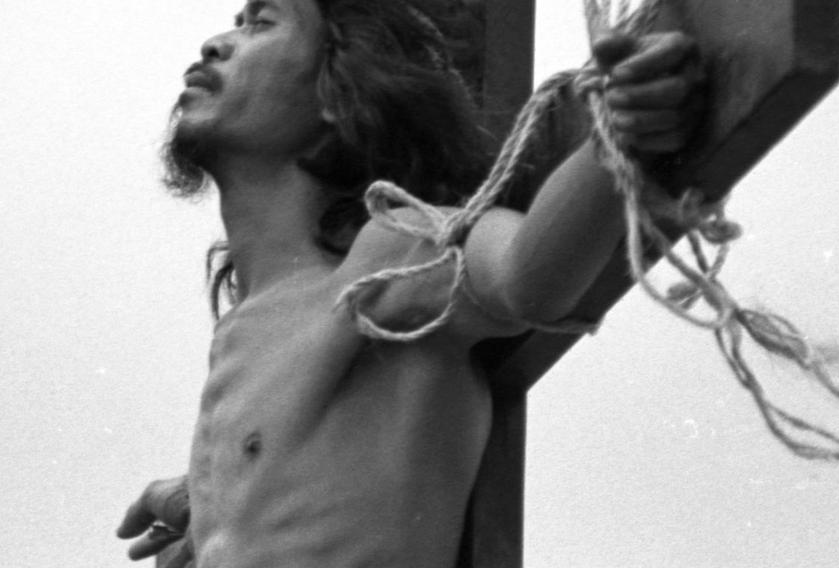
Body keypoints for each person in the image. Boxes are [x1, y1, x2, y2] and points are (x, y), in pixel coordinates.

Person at [116, 1, 703, 566]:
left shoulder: (387, 258)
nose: (216, 41)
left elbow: (529, 278)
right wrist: (210, 497)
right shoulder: (245, 335)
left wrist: (616, 141)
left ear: (335, 92)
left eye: (260, 22)